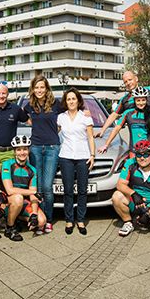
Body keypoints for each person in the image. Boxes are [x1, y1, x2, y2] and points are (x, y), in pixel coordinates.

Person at [95, 71, 150, 163]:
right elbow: (114, 115)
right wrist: (103, 130)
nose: (128, 83)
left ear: (136, 78)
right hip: (136, 144)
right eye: (125, 82)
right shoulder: (124, 100)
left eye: (130, 79)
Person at [23, 75, 63, 233]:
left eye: (42, 87)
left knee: (47, 186)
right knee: (37, 186)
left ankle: (48, 219)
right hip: (36, 148)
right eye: (36, 87)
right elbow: (25, 119)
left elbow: (69, 115)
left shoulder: (56, 104)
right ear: (32, 89)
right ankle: (39, 219)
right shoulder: (29, 106)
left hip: (52, 147)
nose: (39, 90)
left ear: (47, 89)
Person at [57, 88, 96, 235]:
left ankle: (80, 220)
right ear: (65, 102)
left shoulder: (86, 117)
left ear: (78, 101)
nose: (71, 101)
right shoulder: (61, 117)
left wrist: (92, 155)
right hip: (65, 156)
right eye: (68, 99)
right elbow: (53, 132)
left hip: (83, 157)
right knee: (67, 191)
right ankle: (69, 220)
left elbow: (91, 137)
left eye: (73, 99)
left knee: (82, 191)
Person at [0, 135, 47, 241]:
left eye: (25, 149)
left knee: (42, 221)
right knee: (18, 197)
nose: (22, 152)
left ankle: (16, 218)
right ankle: (10, 228)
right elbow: (9, 190)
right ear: (14, 152)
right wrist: (32, 192)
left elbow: (33, 195)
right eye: (19, 150)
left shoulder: (32, 170)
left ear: (28, 150)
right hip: (7, 201)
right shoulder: (7, 165)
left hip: (22, 202)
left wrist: (34, 213)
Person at [98, 86, 150, 161]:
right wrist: (106, 145)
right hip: (134, 151)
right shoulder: (128, 114)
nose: (141, 103)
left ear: (146, 100)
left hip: (148, 151)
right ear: (134, 101)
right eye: (138, 100)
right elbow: (116, 129)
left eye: (143, 100)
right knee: (134, 172)